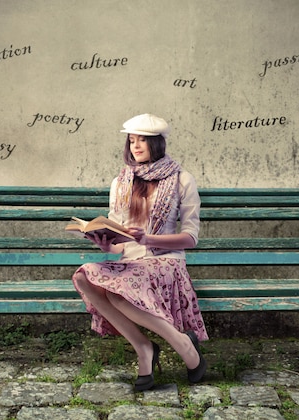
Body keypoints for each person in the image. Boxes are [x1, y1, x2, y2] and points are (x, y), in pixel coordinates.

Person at [72, 113, 208, 391]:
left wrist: (149, 239)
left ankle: (180, 344)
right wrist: (105, 243)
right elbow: (118, 241)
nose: (135, 146)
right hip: (130, 263)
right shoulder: (120, 183)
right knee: (84, 276)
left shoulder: (182, 180)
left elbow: (191, 238)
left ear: (157, 143)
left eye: (142, 140)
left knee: (116, 291)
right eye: (132, 140)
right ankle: (146, 346)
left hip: (165, 262)